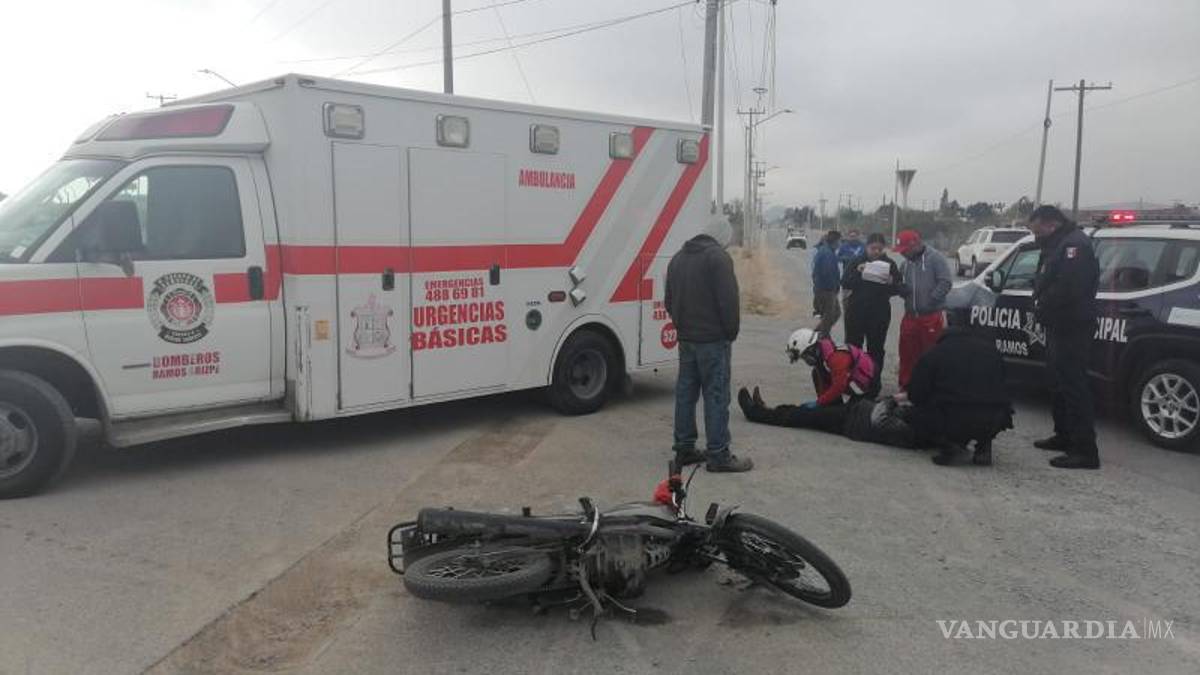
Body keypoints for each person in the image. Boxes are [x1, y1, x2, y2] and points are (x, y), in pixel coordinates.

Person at [664, 231, 753, 473]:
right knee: (716, 396)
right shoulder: (718, 258)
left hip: (687, 340)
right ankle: (718, 454)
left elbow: (669, 300)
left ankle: (684, 448)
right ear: (721, 238)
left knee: (685, 394)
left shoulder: (678, 259)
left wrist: (682, 326)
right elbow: (729, 300)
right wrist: (730, 332)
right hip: (713, 341)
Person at [1026, 205, 1101, 469]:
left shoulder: (1074, 246)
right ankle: (1064, 435)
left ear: (1052, 224)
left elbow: (1068, 287)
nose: (1036, 237)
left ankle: (1085, 450)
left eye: (1038, 231)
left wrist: (1043, 303)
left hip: (1072, 324)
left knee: (1073, 385)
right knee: (1058, 382)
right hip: (1059, 324)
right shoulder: (1058, 243)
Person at [905, 311, 1014, 466]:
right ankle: (984, 445)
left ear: (947, 324)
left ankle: (950, 445)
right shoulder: (993, 352)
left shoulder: (935, 353)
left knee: (918, 412)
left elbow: (916, 394)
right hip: (993, 420)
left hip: (952, 419)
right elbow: (1003, 389)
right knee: (989, 405)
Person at [840, 233, 902, 396]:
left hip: (879, 313)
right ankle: (851, 381)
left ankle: (873, 385)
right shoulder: (857, 261)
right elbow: (845, 282)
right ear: (866, 247)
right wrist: (859, 272)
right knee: (853, 348)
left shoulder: (890, 264)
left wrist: (891, 282)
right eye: (873, 248)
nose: (876, 252)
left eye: (879, 249)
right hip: (856, 312)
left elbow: (898, 288)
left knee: (876, 349)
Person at [894, 229, 952, 390]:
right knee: (907, 355)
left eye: (905, 250)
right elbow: (901, 284)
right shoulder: (905, 264)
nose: (902, 254)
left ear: (915, 245)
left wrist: (931, 300)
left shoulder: (935, 258)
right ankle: (906, 387)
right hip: (910, 316)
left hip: (931, 316)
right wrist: (900, 289)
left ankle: (931, 389)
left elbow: (945, 282)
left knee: (931, 355)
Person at [784, 328, 875, 409]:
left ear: (811, 350)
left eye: (804, 357)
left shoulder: (836, 358)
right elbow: (823, 381)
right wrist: (822, 402)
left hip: (867, 383)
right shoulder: (822, 352)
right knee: (816, 373)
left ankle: (858, 401)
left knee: (851, 413)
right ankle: (832, 406)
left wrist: (818, 403)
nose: (806, 361)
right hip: (853, 378)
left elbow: (839, 386)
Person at [812, 230, 843, 335]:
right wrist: (834, 288)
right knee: (830, 315)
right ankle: (821, 336)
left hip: (825, 289)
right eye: (840, 241)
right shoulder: (826, 253)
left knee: (835, 313)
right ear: (835, 241)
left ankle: (819, 332)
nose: (840, 244)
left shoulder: (828, 251)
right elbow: (827, 273)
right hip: (826, 290)